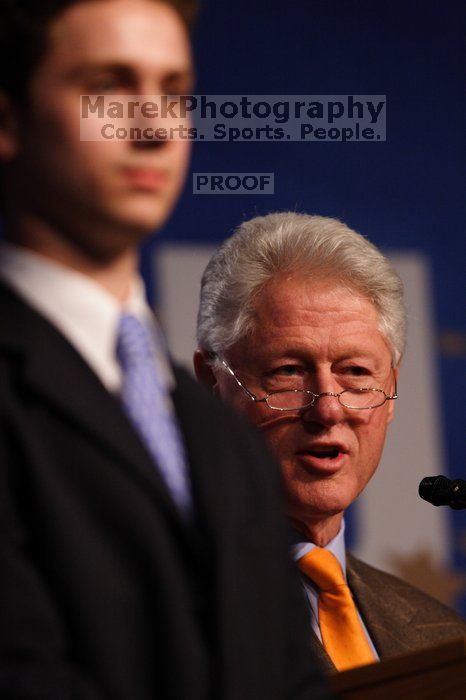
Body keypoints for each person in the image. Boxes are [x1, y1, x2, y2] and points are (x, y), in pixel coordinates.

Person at [0, 3, 329, 698]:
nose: (153, 127)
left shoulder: (224, 438)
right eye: (109, 87)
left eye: (174, 93)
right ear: (9, 120)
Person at [194, 212, 466, 674]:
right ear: (211, 386)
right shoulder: (141, 601)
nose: (328, 410)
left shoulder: (442, 637)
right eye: (288, 372)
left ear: (392, 392)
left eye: (356, 373)